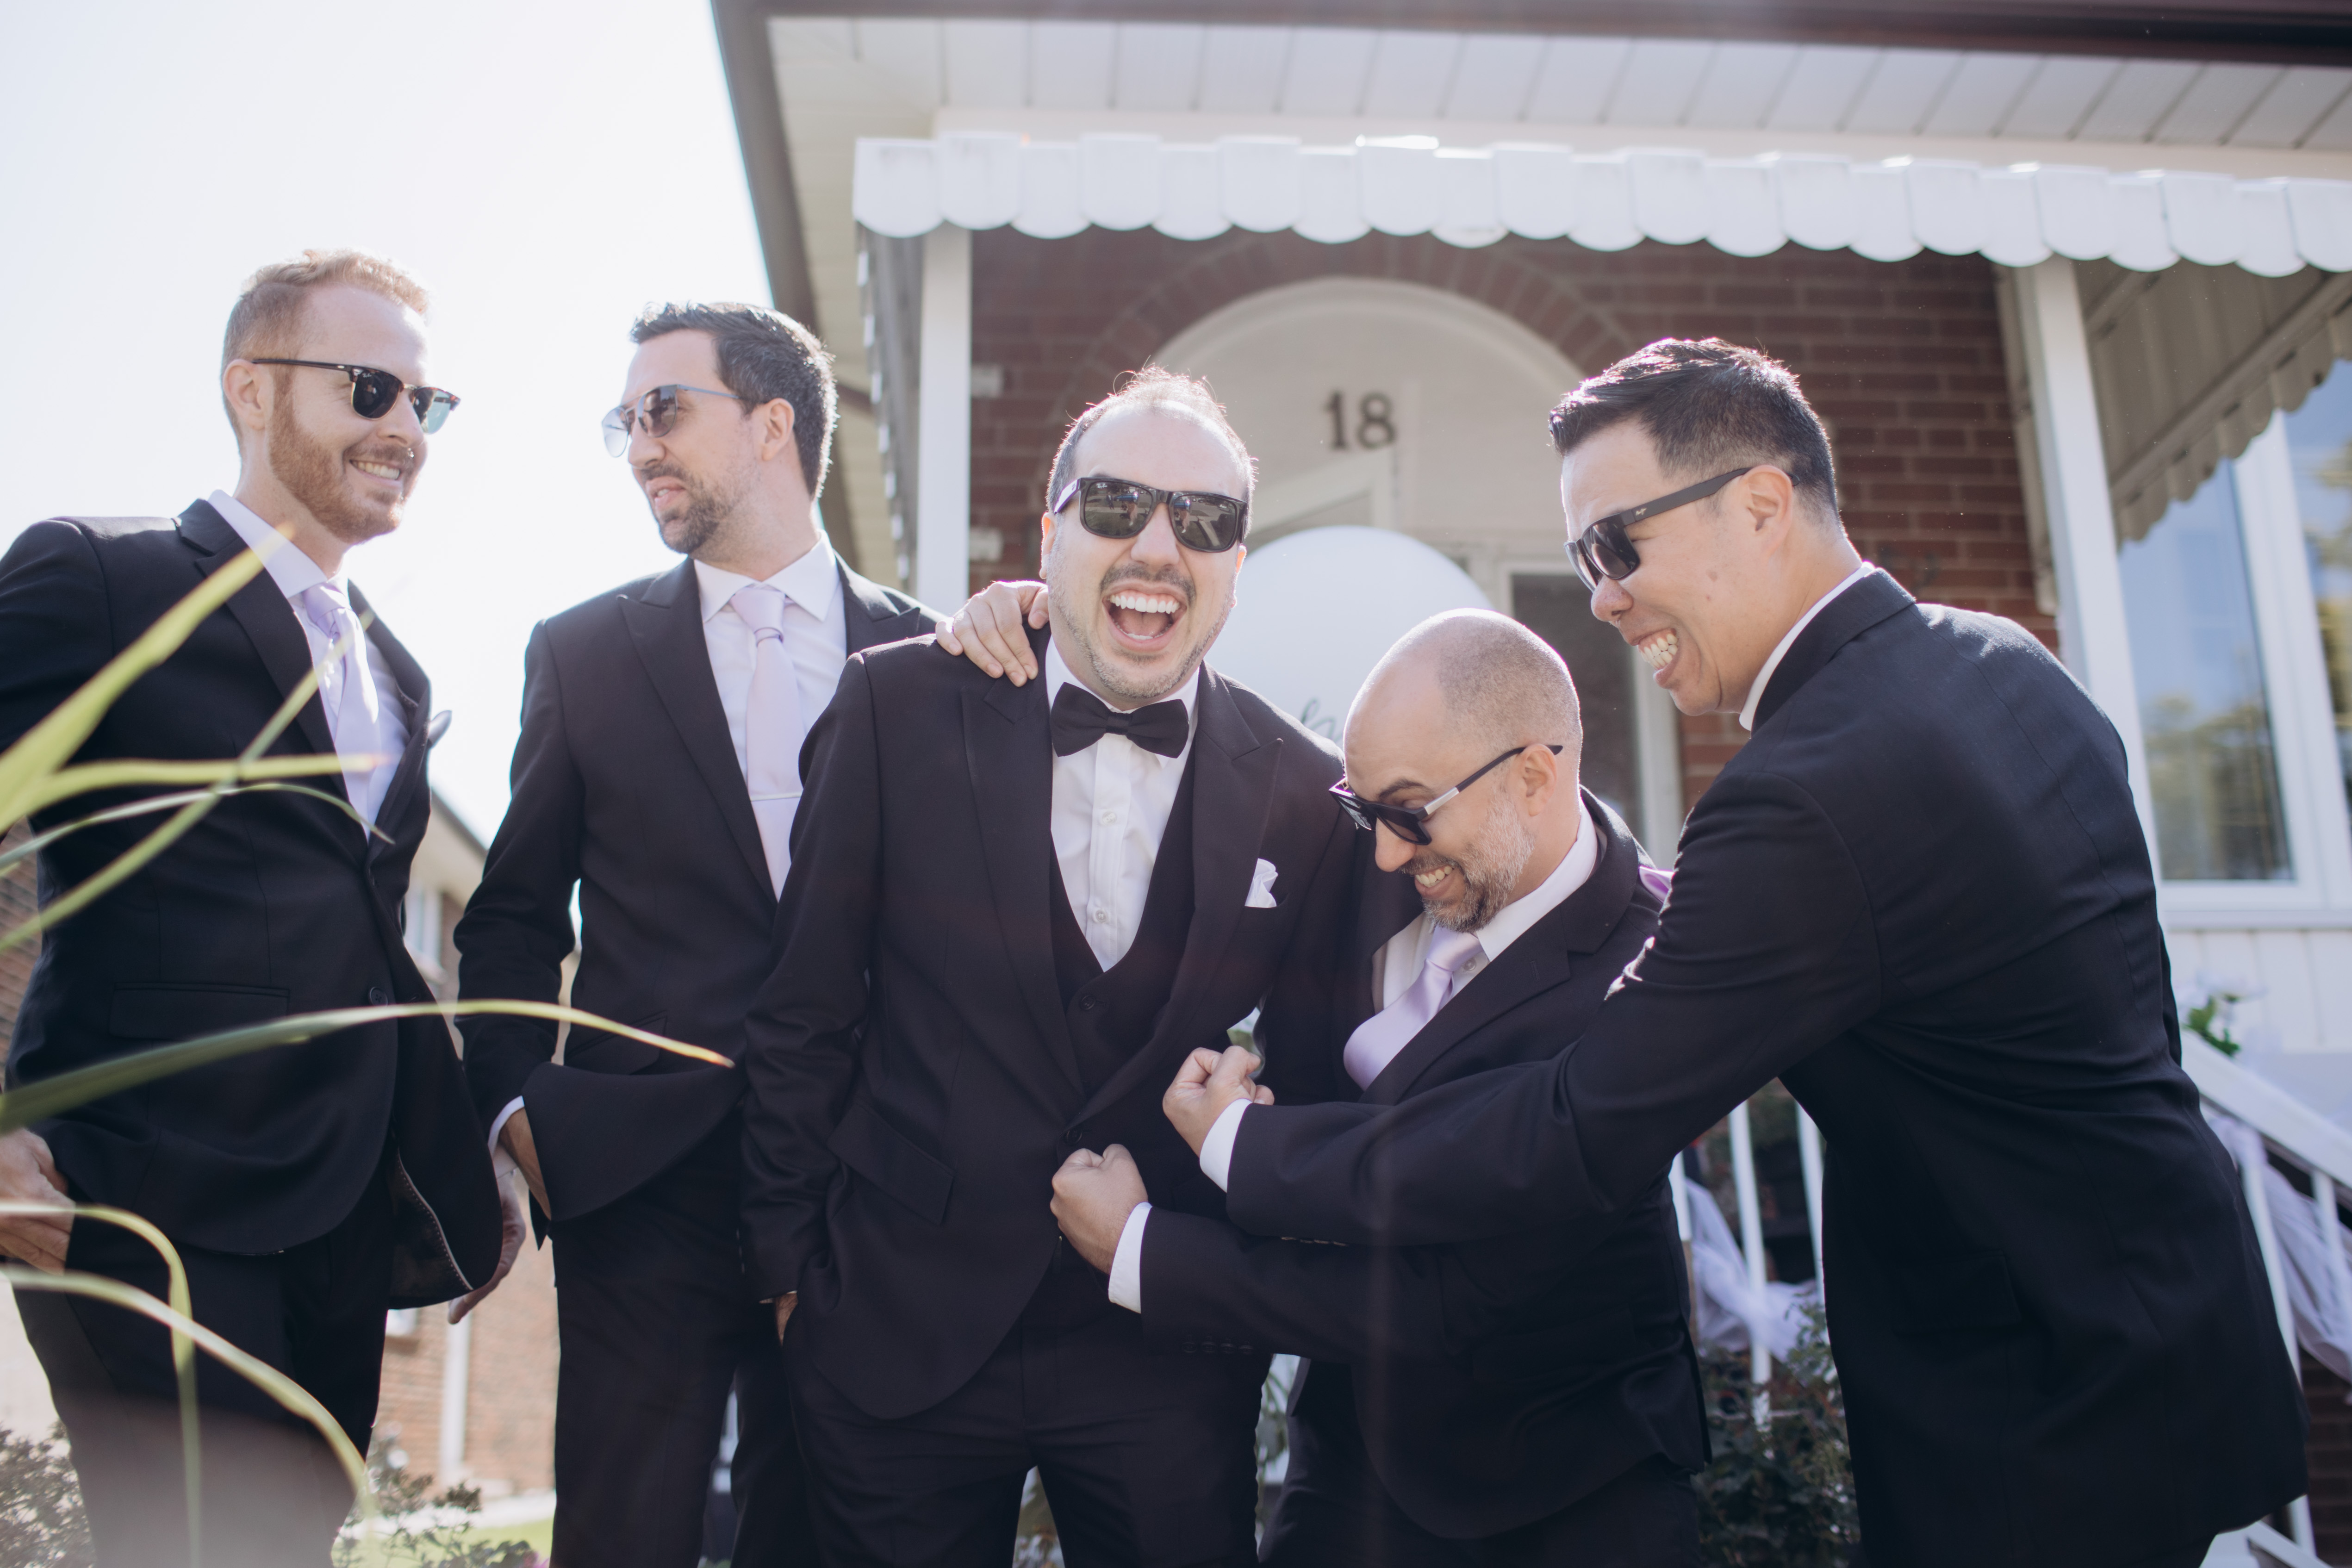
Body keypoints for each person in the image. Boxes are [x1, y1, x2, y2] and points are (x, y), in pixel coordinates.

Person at [1157, 337, 2310, 1568]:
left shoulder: (1801, 796)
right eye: (1583, 559)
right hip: (2184, 1330)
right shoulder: (2008, 662)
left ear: (1761, 503)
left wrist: (1247, 1148)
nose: (1602, 596)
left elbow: (1575, 1125)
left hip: (2030, 1414)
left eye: (1618, 545)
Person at [737, 368, 1356, 1568]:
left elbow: (1315, 1086)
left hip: (1165, 1346)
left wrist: (1240, 1277)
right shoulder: (896, 706)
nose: (1161, 545)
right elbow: (803, 1008)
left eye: (1206, 519)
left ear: (1238, 561)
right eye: (1118, 504)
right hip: (894, 1317)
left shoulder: (1303, 789)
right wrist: (788, 1276)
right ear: (1051, 532)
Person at [0, 250, 504, 1566]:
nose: (405, 428)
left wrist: (465, 1160)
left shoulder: (397, 671)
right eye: (369, 389)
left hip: (338, 1226)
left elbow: (367, 942)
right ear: (251, 390)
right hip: (141, 1198)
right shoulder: (97, 575)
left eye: (426, 403)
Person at [1047, 609, 1706, 1567]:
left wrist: (1145, 1250)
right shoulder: (1368, 853)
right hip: (1353, 1454)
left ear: (1532, 776)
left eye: (1408, 812)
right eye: (1366, 811)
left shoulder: (1652, 969)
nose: (1387, 853)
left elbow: (1444, 1297)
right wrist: (1033, 621)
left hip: (1570, 1479)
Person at [451, 302, 932, 1568]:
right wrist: (514, 1109)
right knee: (624, 1538)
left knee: (824, 1535)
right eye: (624, 420)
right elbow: (511, 917)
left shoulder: (926, 653)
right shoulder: (583, 653)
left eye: (664, 410)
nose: (639, 446)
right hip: (638, 1177)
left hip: (858, 1179)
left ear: (774, 424)